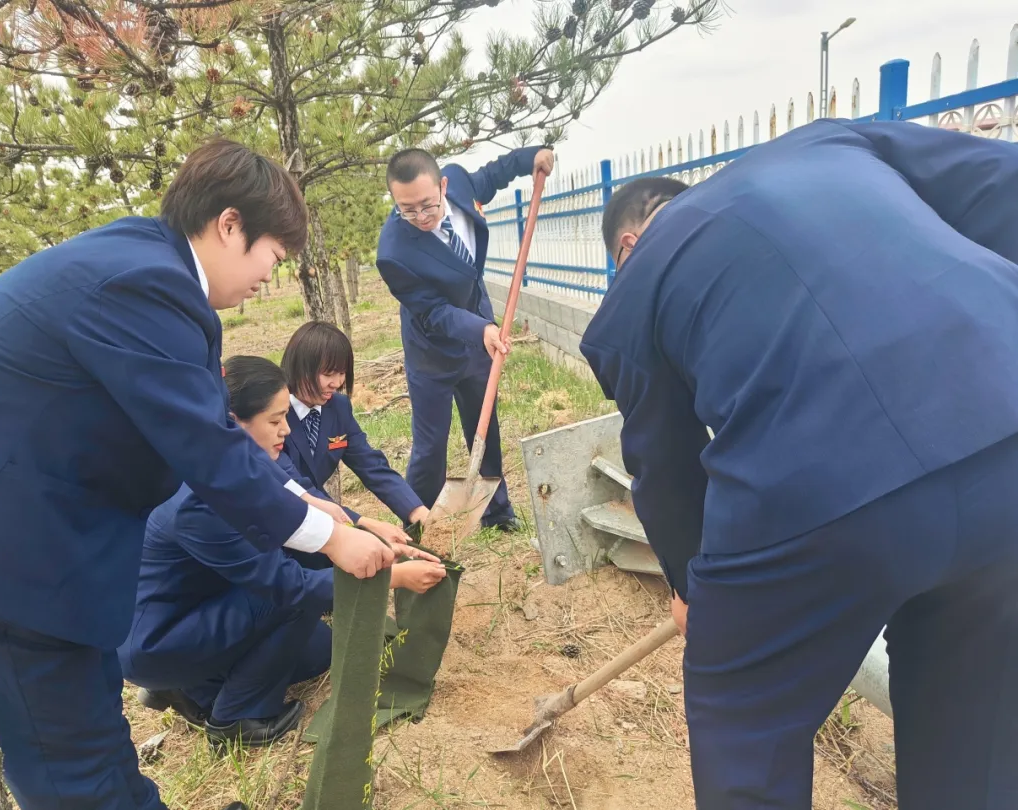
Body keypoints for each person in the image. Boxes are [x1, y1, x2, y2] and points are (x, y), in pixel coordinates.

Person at [0, 139, 415, 810]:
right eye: (272, 258)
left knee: (97, 745)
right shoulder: (146, 284)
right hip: (19, 558)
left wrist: (314, 505)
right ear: (228, 225)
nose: (268, 280)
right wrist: (331, 540)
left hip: (57, 545)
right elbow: (207, 450)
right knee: (73, 773)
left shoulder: (145, 267)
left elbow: (218, 434)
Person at [581, 118, 1018, 810]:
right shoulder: (830, 145)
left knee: (741, 712)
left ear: (627, 245)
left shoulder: (638, 284)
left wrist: (696, 588)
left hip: (820, 484)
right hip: (1007, 440)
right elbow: (1004, 183)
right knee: (972, 716)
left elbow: (662, 467)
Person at [119, 355, 444, 747]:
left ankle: (191, 688)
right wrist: (391, 578)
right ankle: (236, 718)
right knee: (296, 595)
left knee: (319, 653)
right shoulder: (198, 500)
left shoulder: (232, 457)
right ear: (235, 422)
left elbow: (300, 504)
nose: (286, 430)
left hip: (198, 606)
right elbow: (289, 586)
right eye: (274, 421)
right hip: (159, 640)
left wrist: (362, 529)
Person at [376, 145, 555, 532]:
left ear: (442, 185)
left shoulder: (458, 181)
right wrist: (482, 329)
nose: (419, 217)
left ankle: (496, 511)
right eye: (407, 209)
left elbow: (492, 174)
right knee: (430, 446)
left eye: (426, 204)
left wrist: (530, 160)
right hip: (432, 352)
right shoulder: (393, 252)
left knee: (485, 426)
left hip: (478, 340)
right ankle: (418, 523)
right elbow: (433, 312)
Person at [280, 320, 445, 578]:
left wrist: (418, 512)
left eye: (342, 373)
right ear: (301, 368)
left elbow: (371, 466)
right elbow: (294, 485)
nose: (337, 383)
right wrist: (361, 523)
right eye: (328, 374)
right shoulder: (274, 414)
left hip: (321, 518)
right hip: (280, 521)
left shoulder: (338, 408)